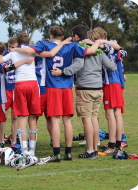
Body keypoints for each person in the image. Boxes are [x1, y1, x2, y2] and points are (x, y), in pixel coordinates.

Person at [12, 26, 102, 161]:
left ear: (51, 35)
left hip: (52, 87)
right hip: (67, 87)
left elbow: (28, 50)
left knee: (55, 121)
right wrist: (98, 41)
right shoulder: (71, 46)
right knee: (67, 121)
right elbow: (93, 51)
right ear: (63, 35)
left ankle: (56, 154)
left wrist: (14, 49)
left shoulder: (44, 44)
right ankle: (69, 153)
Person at [51, 26, 117, 159]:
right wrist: (112, 61)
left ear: (75, 36)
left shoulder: (78, 47)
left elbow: (78, 64)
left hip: (85, 88)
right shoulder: (98, 49)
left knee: (87, 120)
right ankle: (94, 149)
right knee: (94, 119)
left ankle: (90, 150)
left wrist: (62, 72)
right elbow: (111, 67)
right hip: (98, 89)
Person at [93, 27, 127, 154]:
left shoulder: (104, 47)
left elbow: (118, 51)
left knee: (110, 115)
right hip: (116, 82)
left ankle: (112, 144)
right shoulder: (113, 47)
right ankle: (118, 143)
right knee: (117, 113)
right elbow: (123, 52)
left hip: (109, 83)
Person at [0, 37, 18, 148]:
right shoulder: (5, 55)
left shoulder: (21, 55)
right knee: (4, 116)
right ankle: (1, 140)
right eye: (9, 47)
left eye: (13, 47)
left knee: (15, 116)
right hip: (5, 89)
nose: (11, 49)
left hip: (16, 89)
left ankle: (14, 141)